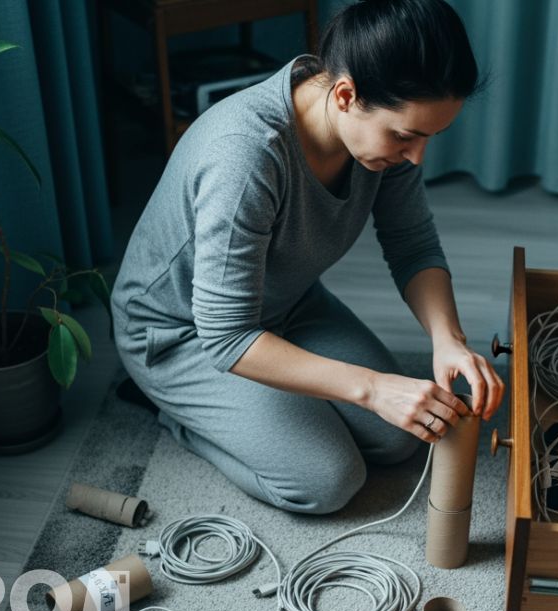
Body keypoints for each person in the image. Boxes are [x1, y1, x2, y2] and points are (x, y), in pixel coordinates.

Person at [110, 0, 504, 514]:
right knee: (326, 479)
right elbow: (227, 336)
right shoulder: (244, 156)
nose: (416, 157)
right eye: (406, 136)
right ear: (345, 94)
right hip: (182, 336)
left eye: (429, 137)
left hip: (287, 302)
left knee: (400, 439)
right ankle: (176, 413)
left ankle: (283, 406)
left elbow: (413, 244)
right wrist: (371, 389)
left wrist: (448, 341)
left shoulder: (382, 134)